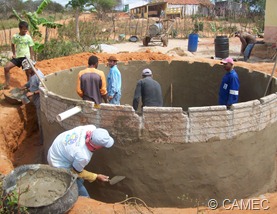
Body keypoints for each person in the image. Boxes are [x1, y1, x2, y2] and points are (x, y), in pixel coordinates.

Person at [47, 125, 114, 197]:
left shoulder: (91, 128)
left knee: (80, 178)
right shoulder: (83, 156)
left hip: (58, 147)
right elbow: (75, 172)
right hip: (58, 163)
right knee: (83, 194)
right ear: (97, 146)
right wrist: (96, 176)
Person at [4, 21, 35, 89]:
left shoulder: (28, 37)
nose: (25, 30)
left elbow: (31, 47)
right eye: (24, 29)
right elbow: (12, 44)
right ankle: (7, 85)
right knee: (6, 68)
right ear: (20, 29)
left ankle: (29, 87)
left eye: (26, 29)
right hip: (17, 57)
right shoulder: (15, 36)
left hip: (26, 57)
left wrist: (32, 58)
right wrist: (14, 53)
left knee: (28, 72)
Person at [20, 59, 44, 144]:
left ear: (31, 68)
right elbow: (30, 83)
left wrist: (32, 92)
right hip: (36, 101)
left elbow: (43, 89)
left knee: (41, 122)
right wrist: (25, 86)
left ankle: (42, 141)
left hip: (41, 102)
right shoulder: (32, 74)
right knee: (38, 120)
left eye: (27, 69)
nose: (26, 71)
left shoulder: (39, 76)